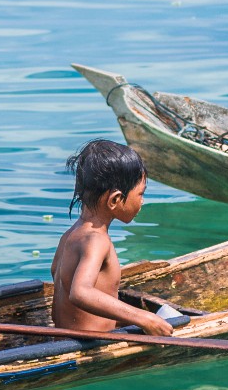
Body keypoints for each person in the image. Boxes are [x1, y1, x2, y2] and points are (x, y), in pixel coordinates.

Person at [51, 140, 176, 336]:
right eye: (140, 194)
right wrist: (144, 318)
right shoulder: (97, 240)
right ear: (115, 200)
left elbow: (58, 279)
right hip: (89, 346)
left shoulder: (70, 236)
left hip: (63, 338)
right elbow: (80, 292)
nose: (142, 202)